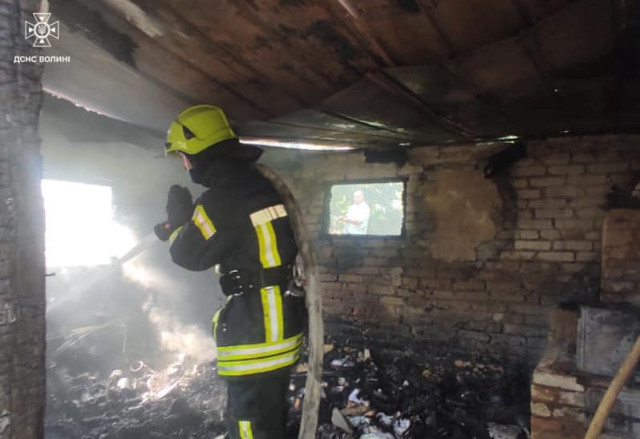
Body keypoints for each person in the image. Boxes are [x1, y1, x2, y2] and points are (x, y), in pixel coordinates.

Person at [154, 105, 305, 439]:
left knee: (249, 426)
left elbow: (187, 254)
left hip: (256, 334)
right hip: (281, 325)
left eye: (184, 157)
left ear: (196, 154)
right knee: (268, 419)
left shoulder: (222, 200)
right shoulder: (259, 187)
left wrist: (178, 222)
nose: (184, 165)